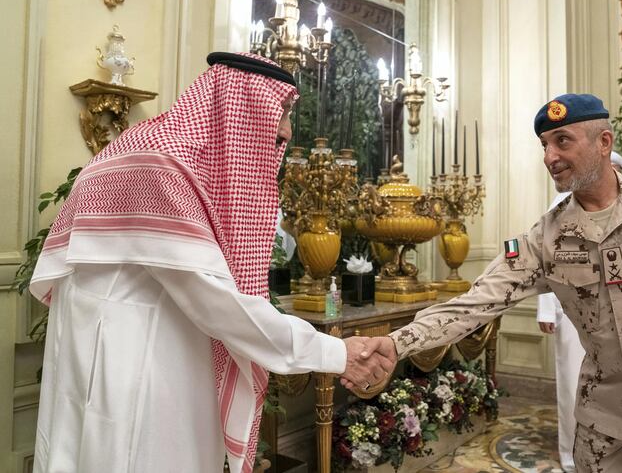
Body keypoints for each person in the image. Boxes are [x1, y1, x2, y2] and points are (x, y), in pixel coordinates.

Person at [28, 52, 394, 473]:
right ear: (245, 105)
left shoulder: (141, 146)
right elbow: (219, 304)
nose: (288, 129)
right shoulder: (164, 163)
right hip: (135, 370)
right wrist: (336, 353)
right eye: (283, 110)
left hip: (107, 355)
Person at [355, 94, 622, 472]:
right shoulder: (546, 238)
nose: (549, 157)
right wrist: (394, 343)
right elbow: (475, 303)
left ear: (604, 142)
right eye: (544, 145)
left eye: (562, 141)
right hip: (606, 423)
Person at [536, 150, 622, 472]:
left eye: (616, 170)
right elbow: (545, 265)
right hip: (573, 316)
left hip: (621, 318)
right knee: (573, 384)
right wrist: (546, 311)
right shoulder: (559, 208)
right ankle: (570, 455)